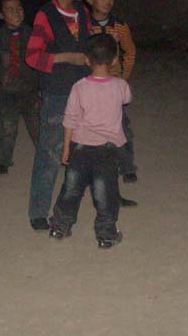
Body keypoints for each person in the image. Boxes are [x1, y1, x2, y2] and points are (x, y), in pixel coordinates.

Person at [25, 0, 92, 231]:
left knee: (81, 151)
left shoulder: (83, 13)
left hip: (83, 91)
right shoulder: (46, 15)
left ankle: (68, 207)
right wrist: (67, 57)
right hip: (57, 94)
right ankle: (38, 211)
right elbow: (32, 57)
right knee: (50, 153)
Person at [48, 33, 130, 249]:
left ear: (86, 59)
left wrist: (66, 148)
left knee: (71, 189)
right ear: (115, 60)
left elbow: (70, 119)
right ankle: (106, 235)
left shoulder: (79, 87)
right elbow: (127, 99)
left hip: (80, 148)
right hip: (107, 150)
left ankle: (60, 226)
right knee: (105, 193)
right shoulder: (120, 86)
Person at [85, 0, 139, 206]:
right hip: (91, 87)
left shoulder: (120, 26)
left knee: (121, 129)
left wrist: (123, 79)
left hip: (113, 87)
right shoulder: (84, 25)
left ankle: (126, 166)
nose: (107, 1)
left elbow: (130, 51)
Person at [0, 0, 40, 175]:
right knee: (6, 128)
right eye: (10, 10)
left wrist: (45, 87)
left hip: (31, 90)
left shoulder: (32, 34)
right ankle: (3, 161)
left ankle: (46, 155)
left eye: (19, 8)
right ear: (1, 15)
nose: (16, 13)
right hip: (7, 91)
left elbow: (42, 61)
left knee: (38, 126)